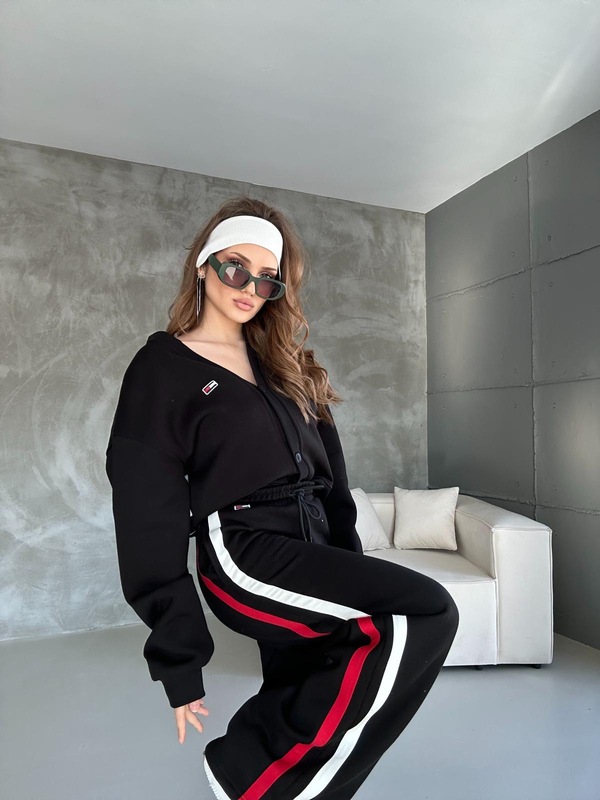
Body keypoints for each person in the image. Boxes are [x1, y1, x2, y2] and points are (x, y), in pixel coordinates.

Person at [105, 196, 459, 800]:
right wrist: (179, 661)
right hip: (243, 549)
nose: (250, 288)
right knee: (429, 611)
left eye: (266, 279)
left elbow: (333, 482)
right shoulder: (162, 368)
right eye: (235, 268)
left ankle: (251, 779)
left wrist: (349, 565)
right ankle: (255, 767)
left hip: (310, 538)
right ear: (203, 266)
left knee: (310, 674)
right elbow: (145, 512)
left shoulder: (288, 367)